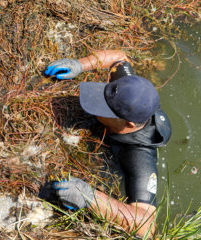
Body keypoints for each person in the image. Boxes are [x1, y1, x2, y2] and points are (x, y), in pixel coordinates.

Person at [43, 50, 171, 237]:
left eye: (104, 108)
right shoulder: (127, 90)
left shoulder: (139, 157)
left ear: (128, 124)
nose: (96, 105)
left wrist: (91, 198)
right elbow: (120, 57)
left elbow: (146, 226)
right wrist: (79, 65)